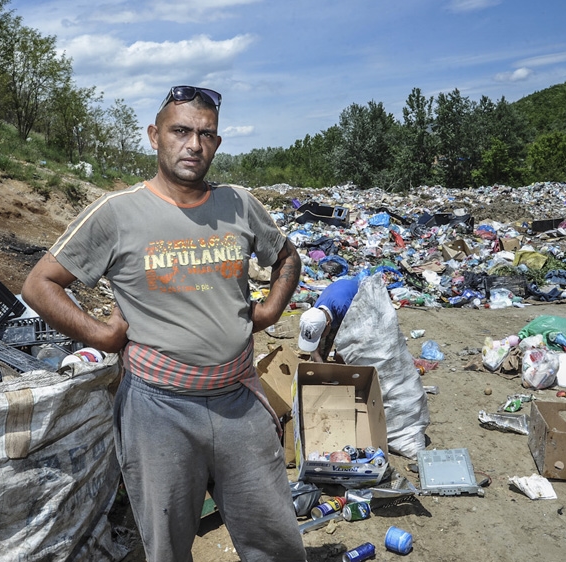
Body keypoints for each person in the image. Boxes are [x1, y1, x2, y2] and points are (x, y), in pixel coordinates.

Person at [22, 85, 306, 561]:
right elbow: (40, 284)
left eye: (206, 135)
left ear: (216, 143)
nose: (193, 144)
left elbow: (287, 257)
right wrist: (101, 333)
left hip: (238, 397)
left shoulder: (238, 203)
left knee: (274, 537)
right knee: (167, 544)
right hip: (159, 410)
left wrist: (272, 310)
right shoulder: (117, 213)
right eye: (181, 131)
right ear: (155, 136)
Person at [298, 277, 360, 363]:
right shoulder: (315, 314)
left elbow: (353, 337)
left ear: (328, 324)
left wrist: (341, 354)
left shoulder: (345, 309)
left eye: (320, 336)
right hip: (337, 296)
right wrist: (319, 362)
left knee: (344, 357)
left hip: (357, 302)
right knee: (321, 354)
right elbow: (314, 347)